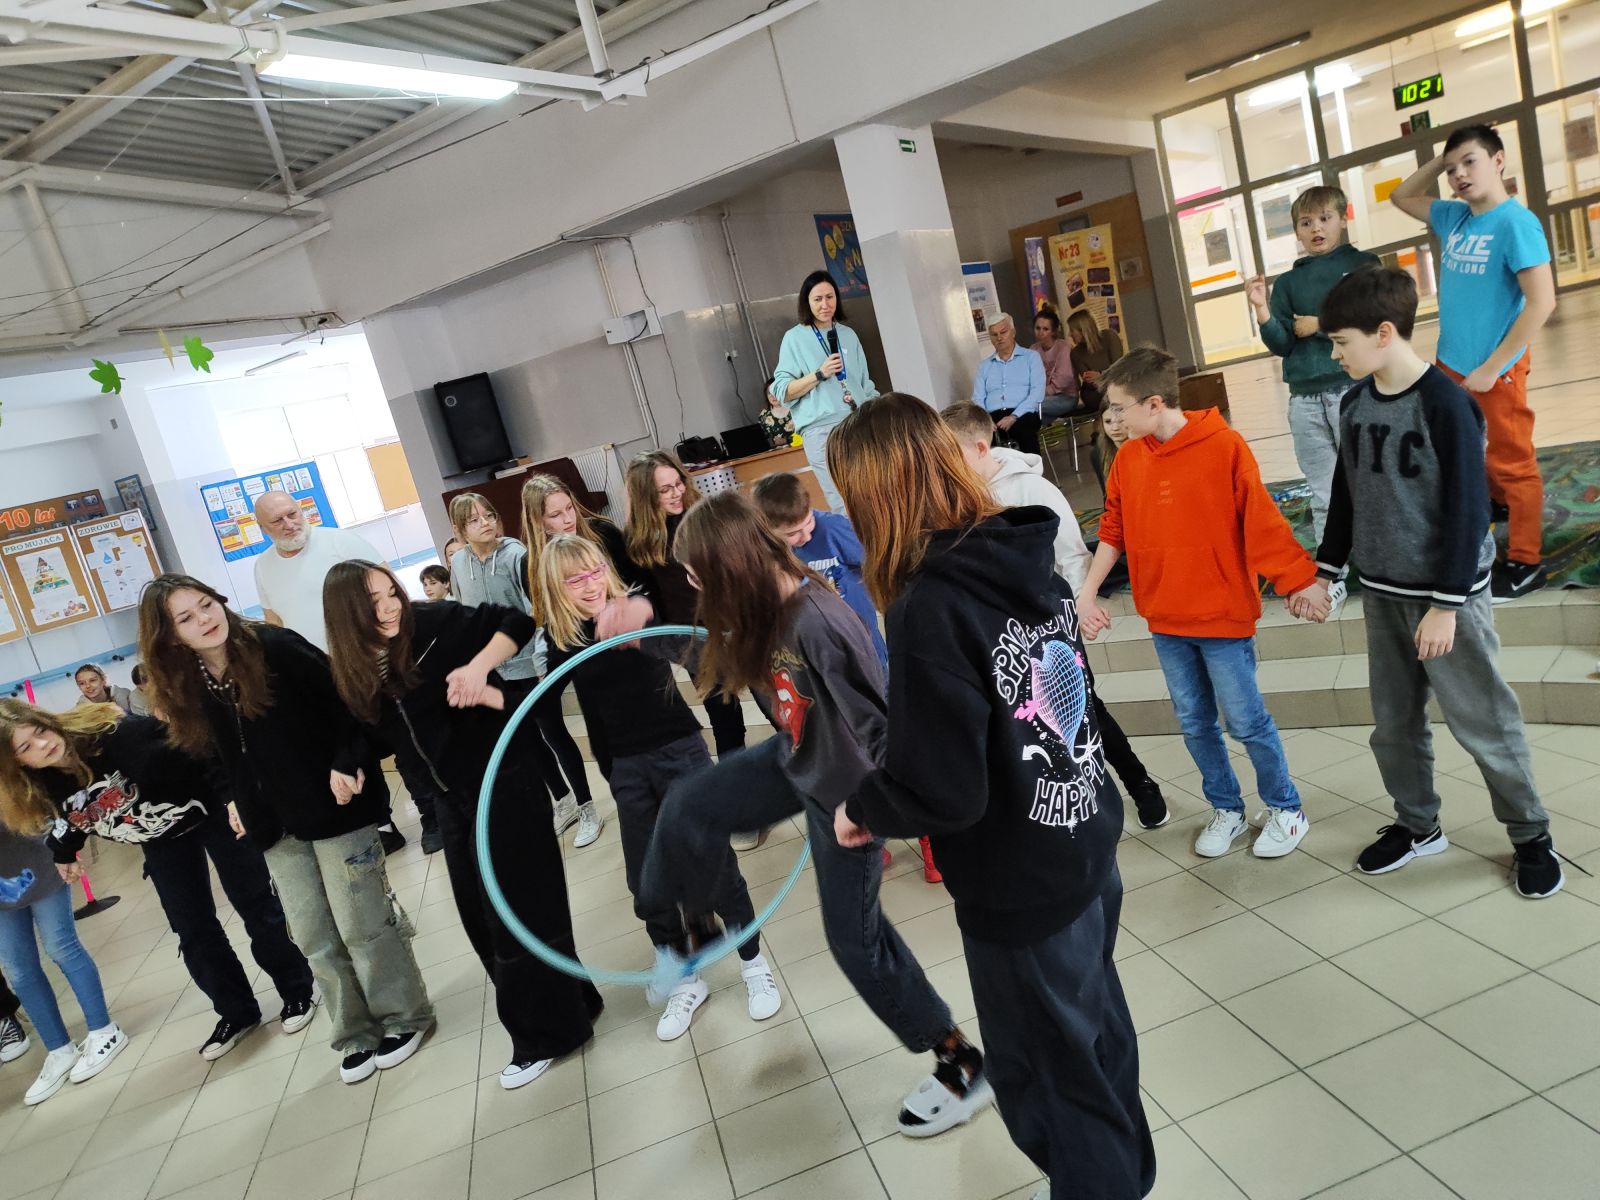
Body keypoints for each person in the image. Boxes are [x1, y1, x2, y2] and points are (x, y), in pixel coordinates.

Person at [822, 394, 1154, 1200]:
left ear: (875, 495)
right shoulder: (1019, 552)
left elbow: (943, 791)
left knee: (1050, 1077)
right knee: (1095, 1040)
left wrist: (862, 808)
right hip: (1082, 842)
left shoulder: (928, 604)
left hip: (1023, 885)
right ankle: (1120, 1176)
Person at [643, 491, 997, 1136]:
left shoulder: (819, 622)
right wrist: (640, 632)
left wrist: (868, 807)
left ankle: (960, 1059)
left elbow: (883, 730)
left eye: (696, 575)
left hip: (845, 792)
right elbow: (724, 660)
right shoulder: (762, 610)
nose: (692, 586)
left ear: (729, 566)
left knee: (855, 943)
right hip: (798, 758)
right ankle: (693, 933)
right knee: (690, 802)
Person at [1306, 266, 1566, 897]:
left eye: (1340, 342)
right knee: (1394, 727)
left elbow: (1471, 510)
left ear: (1384, 333)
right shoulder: (1354, 403)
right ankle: (1418, 825)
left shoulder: (1447, 405)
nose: (1335, 355)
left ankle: (1531, 835)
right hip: (1385, 594)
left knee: (1484, 722)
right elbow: (1347, 493)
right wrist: (1326, 570)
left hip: (1448, 600)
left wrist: (1446, 605)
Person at [138, 574, 434, 1086]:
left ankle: (404, 1017)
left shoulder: (274, 646)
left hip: (334, 806)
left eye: (206, 604)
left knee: (361, 924)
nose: (204, 619)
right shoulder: (189, 682)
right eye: (186, 618)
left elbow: (350, 702)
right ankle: (354, 1033)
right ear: (170, 637)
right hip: (273, 826)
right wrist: (232, 795)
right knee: (314, 934)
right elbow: (209, 753)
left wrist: (347, 760)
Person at [324, 560, 603, 1087]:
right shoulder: (358, 666)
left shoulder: (435, 622)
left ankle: (543, 1038)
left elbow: (515, 620)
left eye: (390, 593)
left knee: (515, 916)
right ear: (346, 615)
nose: (388, 608)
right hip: (450, 801)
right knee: (481, 919)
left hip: (504, 780)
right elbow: (370, 730)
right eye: (372, 602)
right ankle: (574, 1005)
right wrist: (347, 763)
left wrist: (478, 668)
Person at [1077, 348, 1326, 861]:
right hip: (1166, 619)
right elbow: (1113, 531)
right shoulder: (1129, 460)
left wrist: (1298, 580)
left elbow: (1261, 521)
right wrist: (1086, 592)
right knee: (1194, 722)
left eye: (1120, 408)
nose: (1114, 419)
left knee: (1246, 721)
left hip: (1222, 616)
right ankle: (1226, 808)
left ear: (1153, 404)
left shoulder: (1224, 446)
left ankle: (1285, 808)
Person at [535, 536, 774, 1040]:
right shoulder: (563, 641)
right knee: (646, 879)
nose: (589, 585)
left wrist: (642, 618)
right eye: (574, 579)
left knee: (712, 863)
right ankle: (686, 977)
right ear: (556, 587)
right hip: (626, 768)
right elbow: (555, 705)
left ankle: (754, 963)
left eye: (594, 571)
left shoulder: (634, 611)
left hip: (679, 750)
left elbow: (685, 641)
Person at [0, 700, 317, 1061]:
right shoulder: (41, 783)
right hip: (161, 837)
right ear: (16, 763)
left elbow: (203, 753)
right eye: (26, 746)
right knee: (192, 928)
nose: (43, 745)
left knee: (255, 904)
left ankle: (297, 990)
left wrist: (234, 800)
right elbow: (77, 814)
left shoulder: (116, 736)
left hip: (210, 812)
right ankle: (237, 1012)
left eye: (40, 731)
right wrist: (65, 851)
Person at [941, 403, 1169, 830]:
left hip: (1048, 627)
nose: (942, 463)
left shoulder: (1033, 489)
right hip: (998, 633)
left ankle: (1140, 785)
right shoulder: (955, 494)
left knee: (1086, 710)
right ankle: (1061, 807)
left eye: (949, 453)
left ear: (979, 447)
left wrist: (1081, 605)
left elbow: (1072, 556)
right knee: (1028, 724)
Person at [1390, 123, 1556, 601]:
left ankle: (1525, 563)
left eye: (1470, 162)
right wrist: (1439, 159)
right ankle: (1496, 508)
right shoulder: (1454, 217)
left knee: (1512, 462)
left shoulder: (1516, 224)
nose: (1459, 175)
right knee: (1466, 452)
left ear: (1498, 160)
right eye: (1452, 169)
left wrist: (1493, 367)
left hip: (1495, 369)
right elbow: (1402, 196)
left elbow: (1541, 302)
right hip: (1452, 364)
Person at [252, 490, 405, 854]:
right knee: (350, 747)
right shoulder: (263, 567)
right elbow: (273, 622)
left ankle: (430, 813)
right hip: (315, 678)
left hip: (368, 662)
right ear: (263, 529)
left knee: (398, 735)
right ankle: (382, 823)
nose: (290, 524)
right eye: (278, 521)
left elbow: (391, 589)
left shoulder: (340, 542)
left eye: (293, 514)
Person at [448, 492, 599, 849]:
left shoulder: (516, 555)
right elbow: (465, 612)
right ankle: (563, 800)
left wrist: (541, 662)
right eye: (474, 520)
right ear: (459, 530)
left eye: (489, 515)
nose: (485, 523)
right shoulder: (459, 564)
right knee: (527, 740)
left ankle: (587, 806)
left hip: (531, 663)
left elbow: (538, 611)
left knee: (554, 734)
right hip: (497, 670)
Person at [1248, 183, 1381, 569]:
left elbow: (1375, 317)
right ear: (1296, 231)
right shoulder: (1290, 282)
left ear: (1343, 219)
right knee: (1323, 490)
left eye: (1325, 218)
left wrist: (1322, 324)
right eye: (1306, 223)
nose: (1316, 228)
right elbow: (1282, 343)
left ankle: (1381, 559)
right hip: (1303, 400)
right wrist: (1262, 310)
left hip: (1352, 389)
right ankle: (1333, 570)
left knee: (1367, 479)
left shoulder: (1363, 264)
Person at [623, 451, 747, 758]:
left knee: (775, 700)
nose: (676, 492)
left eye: (678, 483)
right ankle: (738, 776)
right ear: (646, 497)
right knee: (725, 718)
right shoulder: (639, 541)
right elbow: (648, 599)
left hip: (739, 625)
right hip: (696, 640)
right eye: (665, 490)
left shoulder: (705, 516)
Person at [0, 821, 125, 1105]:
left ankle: (103, 1030)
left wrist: (65, 847)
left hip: (39, 857)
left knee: (61, 947)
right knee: (18, 969)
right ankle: (59, 1050)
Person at [770, 270, 880, 511]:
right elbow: (782, 391)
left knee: (872, 495)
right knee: (842, 500)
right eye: (817, 299)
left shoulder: (848, 335)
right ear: (807, 303)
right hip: (821, 430)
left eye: (830, 297)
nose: (825, 305)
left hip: (857, 424)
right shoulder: (794, 338)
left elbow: (865, 384)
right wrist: (819, 374)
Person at [519, 472, 644, 595]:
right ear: (536, 521)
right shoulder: (531, 563)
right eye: (555, 515)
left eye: (569, 507)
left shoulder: (604, 532)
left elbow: (639, 581)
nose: (568, 519)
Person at [970, 313, 1044, 456]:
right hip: (992, 417)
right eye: (994, 334)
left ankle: (1032, 469)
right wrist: (986, 420)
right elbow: (977, 398)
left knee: (1024, 430)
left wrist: (1014, 416)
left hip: (1022, 413)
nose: (999, 337)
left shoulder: (1031, 357)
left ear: (1013, 332)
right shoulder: (984, 366)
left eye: (1003, 332)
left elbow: (1037, 392)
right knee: (979, 437)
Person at [1068, 310, 1123, 409]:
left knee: (1122, 387)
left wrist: (1101, 375)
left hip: (1117, 382)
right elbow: (1089, 381)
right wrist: (1102, 378)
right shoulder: (1075, 353)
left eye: (1072, 330)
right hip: (1096, 391)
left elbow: (1119, 369)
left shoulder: (1109, 337)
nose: (1069, 334)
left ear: (1082, 330)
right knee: (1091, 395)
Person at [1031, 310, 1080, 421]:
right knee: (1030, 419)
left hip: (1067, 397)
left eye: (1045, 329)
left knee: (1029, 406)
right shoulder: (1033, 350)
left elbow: (1064, 379)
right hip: (1043, 396)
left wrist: (1039, 393)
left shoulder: (1064, 348)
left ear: (1053, 331)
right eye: (1037, 328)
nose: (1041, 333)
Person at [759, 376, 797, 450]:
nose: (772, 396)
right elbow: (763, 442)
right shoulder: (763, 416)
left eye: (775, 392)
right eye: (769, 393)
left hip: (799, 449)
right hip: (777, 453)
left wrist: (786, 440)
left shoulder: (795, 407)